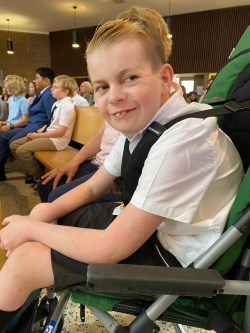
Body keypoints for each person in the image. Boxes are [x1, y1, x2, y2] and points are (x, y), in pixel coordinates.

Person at [0, 6, 243, 329]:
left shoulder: (185, 139)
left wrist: (30, 228)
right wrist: (42, 214)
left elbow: (111, 246)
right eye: (102, 86)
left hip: (178, 257)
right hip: (152, 229)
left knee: (24, 262)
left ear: (166, 78)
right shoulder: (147, 126)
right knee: (54, 213)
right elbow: (93, 185)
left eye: (129, 78)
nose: (114, 97)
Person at [10, 75, 76, 188]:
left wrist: (38, 136)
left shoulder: (67, 107)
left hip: (57, 141)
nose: (52, 89)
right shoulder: (57, 103)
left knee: (22, 151)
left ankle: (41, 177)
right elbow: (51, 123)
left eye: (55, 87)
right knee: (14, 144)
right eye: (53, 87)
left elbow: (60, 132)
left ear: (65, 91)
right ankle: (38, 173)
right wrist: (38, 132)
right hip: (49, 135)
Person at [37, 120, 121, 202]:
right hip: (98, 162)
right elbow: (99, 136)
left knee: (57, 197)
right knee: (45, 185)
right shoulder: (111, 110)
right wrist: (74, 162)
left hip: (117, 172)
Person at [0, 67, 56, 181]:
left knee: (11, 141)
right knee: (10, 141)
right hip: (33, 124)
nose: (34, 81)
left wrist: (42, 132)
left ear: (46, 81)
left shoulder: (48, 94)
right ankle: (33, 172)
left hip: (36, 126)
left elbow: (51, 117)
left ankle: (37, 174)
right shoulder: (43, 94)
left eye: (36, 78)